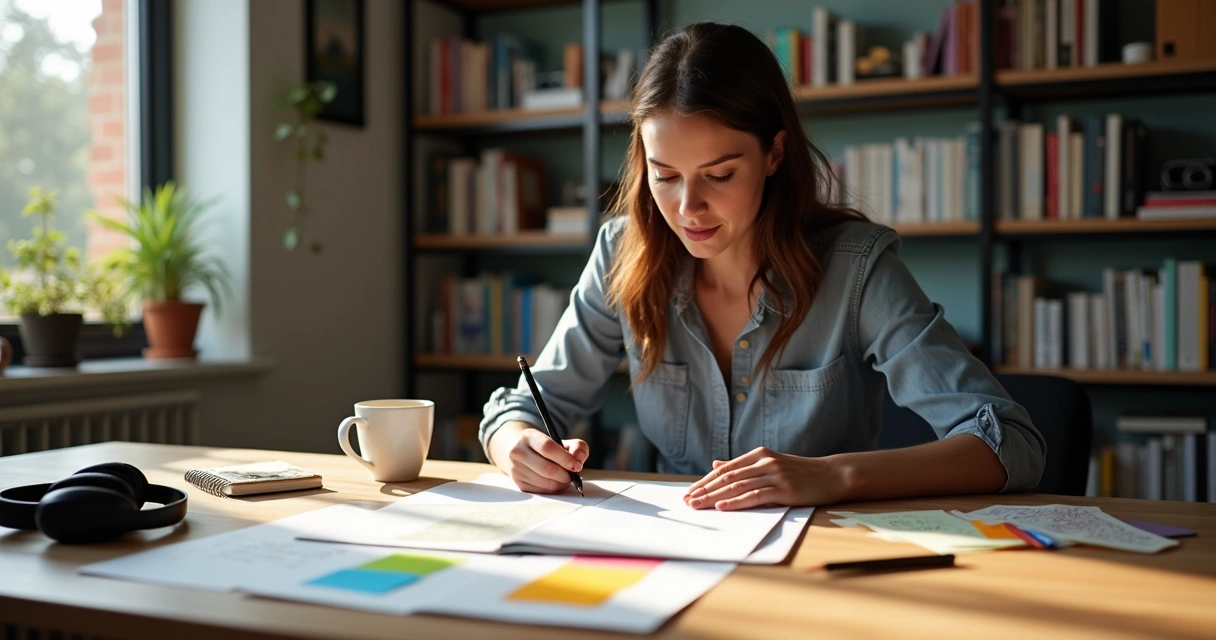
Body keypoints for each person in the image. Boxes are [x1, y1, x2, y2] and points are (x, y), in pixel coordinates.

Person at [479, 22, 1045, 511]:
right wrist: (517, 445)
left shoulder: (857, 271)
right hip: (676, 559)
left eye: (719, 175)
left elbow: (1010, 441)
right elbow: (521, 408)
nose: (686, 208)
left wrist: (830, 475)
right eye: (665, 174)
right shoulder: (622, 253)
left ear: (774, 153)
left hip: (818, 559)